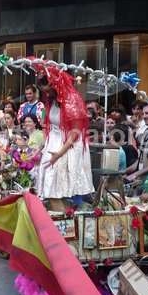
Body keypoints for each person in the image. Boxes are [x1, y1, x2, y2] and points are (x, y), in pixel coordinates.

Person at [35, 67, 94, 202]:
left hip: (69, 146)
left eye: (49, 90)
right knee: (50, 182)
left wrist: (59, 154)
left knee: (66, 183)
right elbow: (51, 127)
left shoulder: (72, 101)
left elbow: (75, 133)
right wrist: (40, 148)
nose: (47, 94)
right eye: (45, 92)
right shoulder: (53, 100)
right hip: (55, 143)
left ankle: (71, 210)